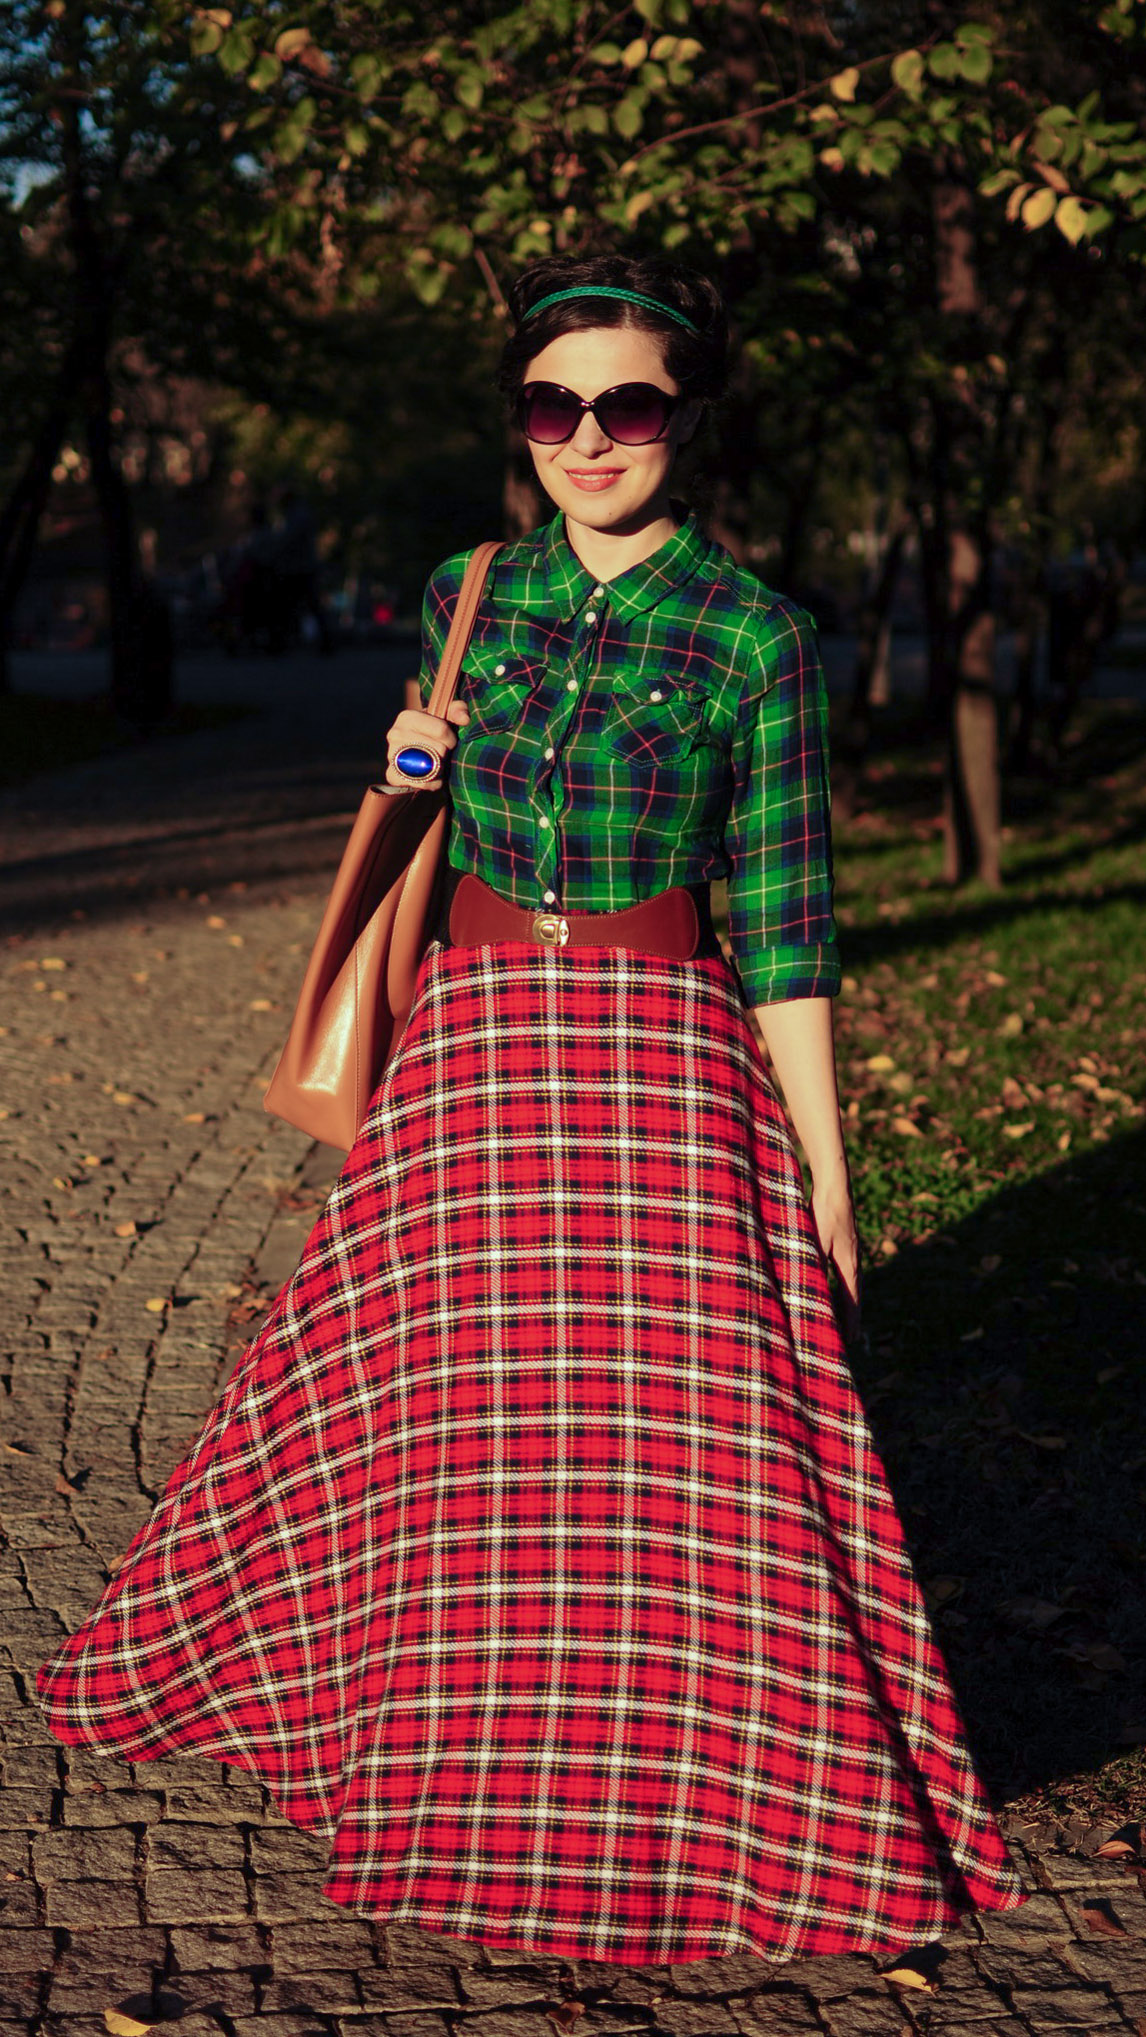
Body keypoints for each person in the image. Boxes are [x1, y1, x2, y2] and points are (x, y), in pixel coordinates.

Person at [33, 253, 1028, 1965]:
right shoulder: (463, 592)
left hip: (655, 1055)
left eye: (625, 403)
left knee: (667, 1452)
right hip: (475, 1056)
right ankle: (449, 1763)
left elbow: (787, 932)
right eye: (553, 405)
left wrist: (828, 1181)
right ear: (522, 421)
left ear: (686, 418)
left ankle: (697, 1792)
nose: (588, 436)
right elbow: (428, 821)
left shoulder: (753, 636)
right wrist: (415, 760)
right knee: (454, 1428)